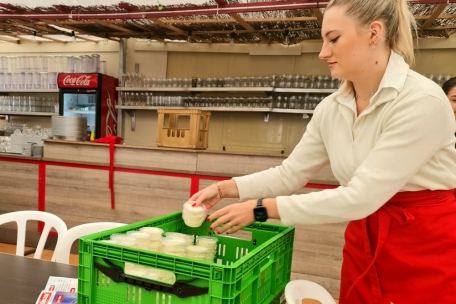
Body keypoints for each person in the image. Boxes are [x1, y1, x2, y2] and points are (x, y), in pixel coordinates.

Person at [190, 0, 456, 303]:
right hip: (363, 240)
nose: (323, 52)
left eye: (334, 38)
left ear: (374, 33)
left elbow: (361, 197)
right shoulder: (331, 108)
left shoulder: (421, 102)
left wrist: (259, 209)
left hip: (423, 247)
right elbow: (290, 173)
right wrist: (224, 189)